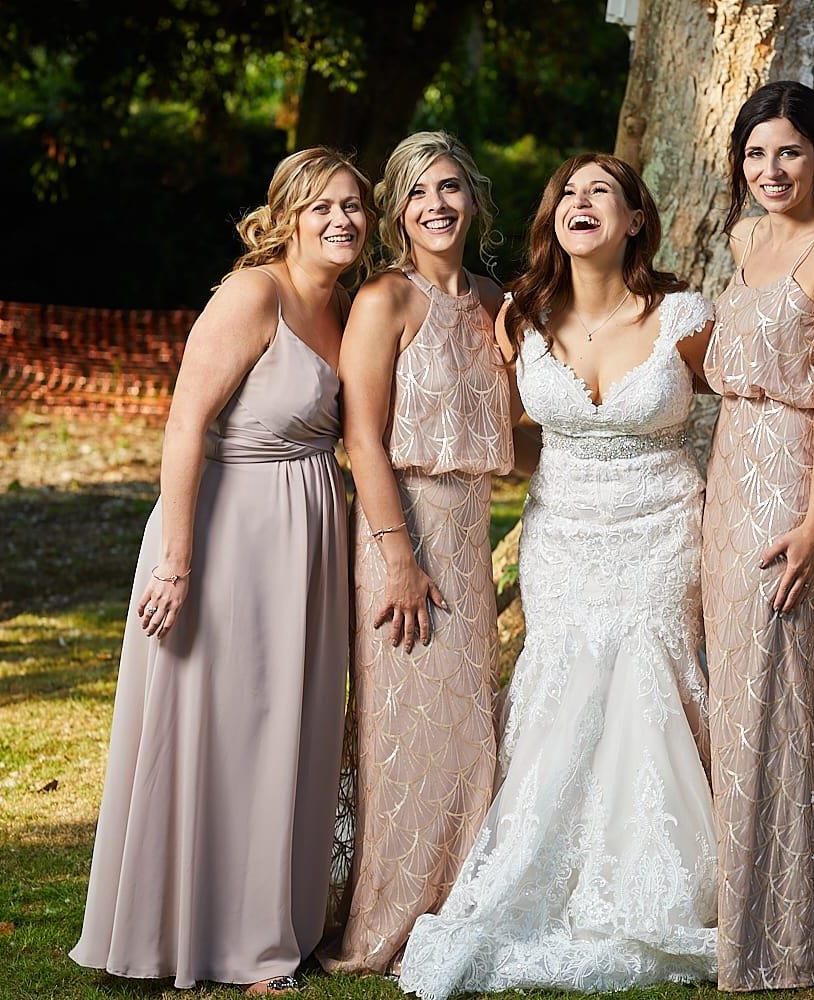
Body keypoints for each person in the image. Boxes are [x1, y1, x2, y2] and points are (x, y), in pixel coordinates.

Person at [396, 153, 718, 1000]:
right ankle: (537, 876)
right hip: (563, 536)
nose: (580, 204)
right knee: (561, 686)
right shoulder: (521, 319)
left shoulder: (686, 316)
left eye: (600, 193)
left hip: (661, 531)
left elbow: (750, 409)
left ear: (635, 220)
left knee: (651, 683)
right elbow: (508, 431)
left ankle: (664, 885)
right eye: (568, 193)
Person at [70, 147, 371, 995]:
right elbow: (184, 426)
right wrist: (176, 563)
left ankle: (271, 920)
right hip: (226, 534)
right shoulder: (253, 294)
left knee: (291, 726)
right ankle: (206, 936)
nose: (341, 221)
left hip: (308, 542)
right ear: (286, 219)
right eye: (322, 208)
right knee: (223, 727)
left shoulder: (344, 305)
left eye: (353, 206)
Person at [323, 131, 512, 976]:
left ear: (472, 198)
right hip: (402, 530)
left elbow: (514, 423)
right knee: (403, 726)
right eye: (418, 193)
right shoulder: (384, 301)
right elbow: (361, 436)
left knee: (472, 731)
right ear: (397, 211)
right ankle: (389, 915)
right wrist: (398, 555)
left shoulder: (492, 299)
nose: (437, 206)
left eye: (450, 189)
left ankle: (462, 901)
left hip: (470, 535)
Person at [701, 80, 814, 991]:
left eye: (790, 153)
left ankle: (793, 933)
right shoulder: (744, 240)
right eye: (757, 154)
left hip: (787, 481)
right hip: (729, 473)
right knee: (735, 694)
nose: (771, 171)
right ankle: (743, 908)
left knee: (777, 694)